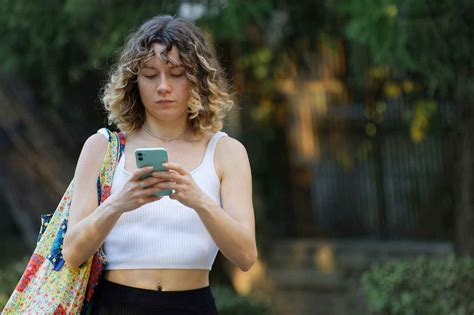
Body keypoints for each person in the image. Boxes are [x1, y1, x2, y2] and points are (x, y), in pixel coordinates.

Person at [62, 15, 257, 314]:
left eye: (176, 73)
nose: (163, 86)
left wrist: (199, 201)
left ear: (198, 79)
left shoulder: (226, 151)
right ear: (134, 81)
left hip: (193, 304)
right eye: (150, 75)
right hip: (117, 304)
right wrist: (119, 203)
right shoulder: (102, 147)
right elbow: (72, 252)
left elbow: (245, 256)